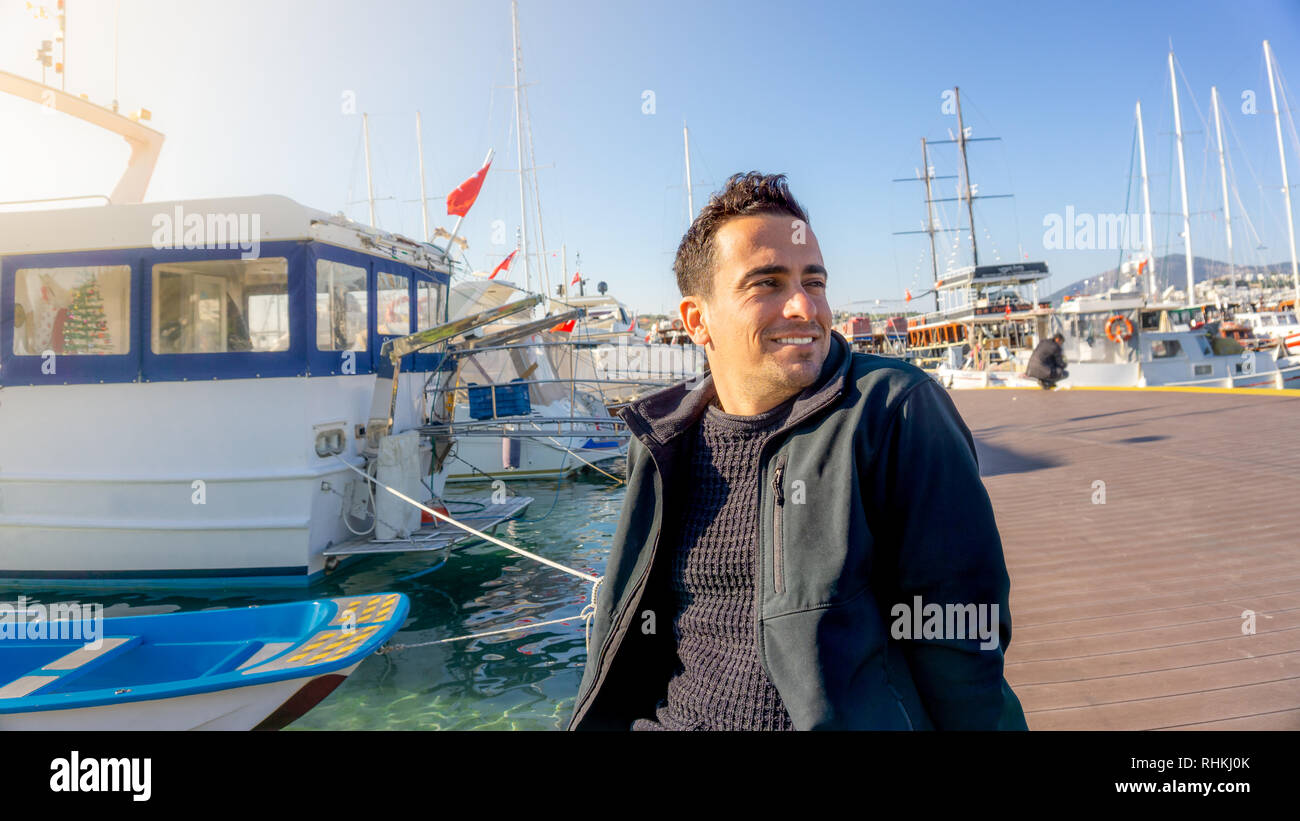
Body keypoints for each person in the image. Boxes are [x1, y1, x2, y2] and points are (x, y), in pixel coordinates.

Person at [567, 172, 1026, 731]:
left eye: (815, 281)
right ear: (697, 321)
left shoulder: (893, 411)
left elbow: (960, 635)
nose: (805, 308)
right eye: (768, 283)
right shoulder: (665, 440)